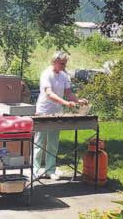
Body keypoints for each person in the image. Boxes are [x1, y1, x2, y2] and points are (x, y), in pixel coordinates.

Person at [34, 51, 88, 180]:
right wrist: (66, 103)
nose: (64, 66)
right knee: (39, 142)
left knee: (53, 142)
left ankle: (50, 170)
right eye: (62, 63)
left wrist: (77, 101)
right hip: (43, 110)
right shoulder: (46, 74)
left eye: (65, 63)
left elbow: (68, 92)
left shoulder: (64, 75)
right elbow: (49, 93)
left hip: (57, 112)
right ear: (54, 62)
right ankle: (35, 170)